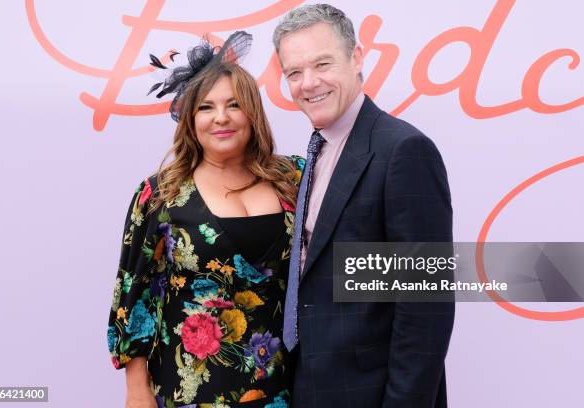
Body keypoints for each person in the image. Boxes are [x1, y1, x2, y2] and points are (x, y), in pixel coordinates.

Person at [107, 32, 303, 408]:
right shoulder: (161, 194)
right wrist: (136, 391)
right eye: (206, 107)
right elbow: (133, 296)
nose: (221, 118)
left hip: (283, 387)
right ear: (189, 118)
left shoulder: (293, 179)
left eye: (234, 104)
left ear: (253, 112)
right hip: (190, 391)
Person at [273, 4, 455, 408]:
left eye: (323, 63)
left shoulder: (403, 151)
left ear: (356, 58)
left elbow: (427, 304)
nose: (308, 83)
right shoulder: (315, 155)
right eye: (294, 73)